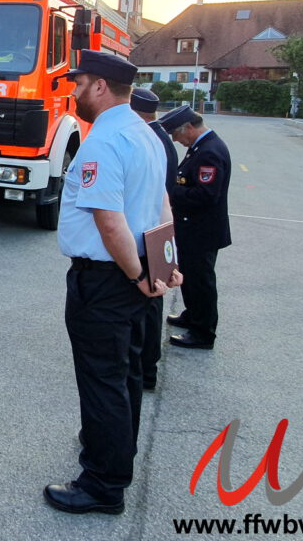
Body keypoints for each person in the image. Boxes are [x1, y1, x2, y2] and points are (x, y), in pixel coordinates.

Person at [46, 50, 182, 516]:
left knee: (102, 379)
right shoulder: (146, 135)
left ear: (99, 86)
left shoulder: (103, 140)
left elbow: (109, 220)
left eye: (78, 83)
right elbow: (160, 203)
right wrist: (163, 265)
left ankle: (103, 484)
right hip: (137, 271)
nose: (74, 91)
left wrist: (137, 275)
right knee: (124, 375)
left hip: (108, 279)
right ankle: (116, 450)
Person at [158, 105, 231, 350]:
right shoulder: (200, 148)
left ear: (189, 127)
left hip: (202, 230)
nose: (177, 141)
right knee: (191, 278)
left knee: (201, 282)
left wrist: (171, 190)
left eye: (178, 135)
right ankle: (193, 315)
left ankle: (203, 332)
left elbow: (205, 195)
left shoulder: (209, 152)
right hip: (193, 228)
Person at [129, 87, 178, 391]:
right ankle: (147, 367)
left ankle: (146, 370)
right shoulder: (159, 136)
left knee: (148, 308)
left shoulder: (150, 139)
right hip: (157, 233)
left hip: (150, 234)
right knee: (151, 307)